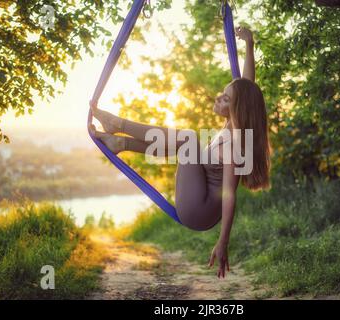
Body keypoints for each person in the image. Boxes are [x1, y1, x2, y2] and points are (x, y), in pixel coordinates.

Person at [89, 26, 270, 278]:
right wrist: (249, 44)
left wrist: (223, 242)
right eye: (223, 94)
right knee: (186, 145)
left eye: (225, 98)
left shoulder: (234, 145)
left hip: (200, 211)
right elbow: (247, 85)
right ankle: (122, 144)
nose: (218, 98)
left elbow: (230, 196)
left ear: (237, 108)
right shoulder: (233, 125)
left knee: (187, 139)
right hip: (201, 201)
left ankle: (117, 124)